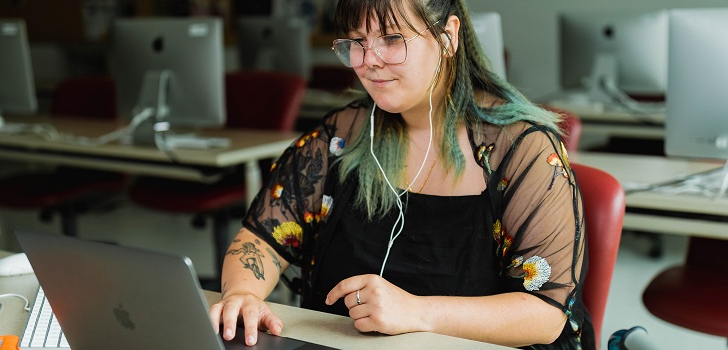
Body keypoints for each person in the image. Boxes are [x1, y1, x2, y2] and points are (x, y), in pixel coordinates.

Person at [208, 0, 590, 348]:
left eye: (391, 39)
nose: (368, 60)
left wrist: (416, 312)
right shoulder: (344, 135)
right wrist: (242, 294)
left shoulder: (522, 150)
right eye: (356, 42)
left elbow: (544, 313)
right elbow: (260, 238)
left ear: (448, 37)